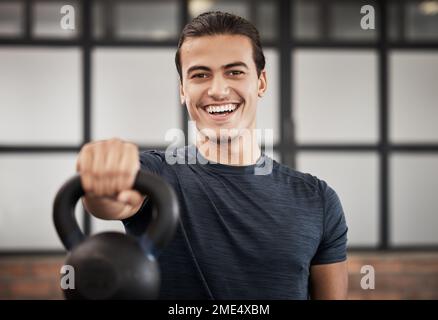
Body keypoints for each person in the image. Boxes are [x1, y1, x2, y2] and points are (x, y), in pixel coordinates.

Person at [76, 11, 348, 300]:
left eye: (234, 72)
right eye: (200, 75)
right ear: (183, 90)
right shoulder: (155, 175)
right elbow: (110, 201)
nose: (217, 90)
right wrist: (103, 171)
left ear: (261, 83)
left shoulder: (317, 200)